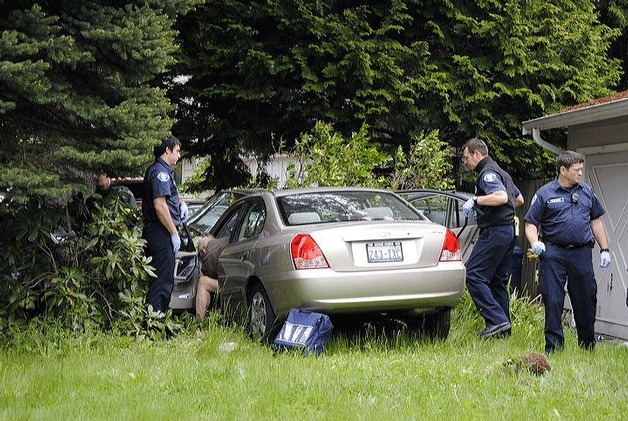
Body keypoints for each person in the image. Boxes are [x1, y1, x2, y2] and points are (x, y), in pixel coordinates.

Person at [524, 150, 611, 354]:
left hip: (581, 253)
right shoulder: (545, 193)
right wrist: (535, 242)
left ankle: (587, 345)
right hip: (553, 253)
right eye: (577, 170)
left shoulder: (587, 192)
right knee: (553, 299)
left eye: (582, 169)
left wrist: (605, 249)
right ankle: (553, 347)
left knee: (586, 298)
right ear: (563, 170)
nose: (581, 173)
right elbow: (530, 223)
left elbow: (595, 221)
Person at [461, 138, 524, 338]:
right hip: (507, 232)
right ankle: (504, 330)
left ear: (476, 154)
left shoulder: (487, 173)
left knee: (473, 274)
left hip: (495, 232)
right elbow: (519, 199)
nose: (465, 163)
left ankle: (496, 320)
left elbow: (501, 197)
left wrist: (477, 200)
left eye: (466, 158)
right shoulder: (502, 172)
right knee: (497, 281)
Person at [142, 135, 183, 314]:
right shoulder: (160, 172)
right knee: (162, 282)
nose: (179, 156)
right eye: (177, 151)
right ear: (167, 150)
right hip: (160, 232)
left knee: (165, 279)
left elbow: (169, 197)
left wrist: (181, 204)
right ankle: (154, 324)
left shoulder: (164, 171)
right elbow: (160, 205)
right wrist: (174, 232)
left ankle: (157, 321)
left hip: (161, 231)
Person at [195, 234, 228, 320]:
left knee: (203, 282)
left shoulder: (209, 254)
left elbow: (209, 273)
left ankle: (199, 322)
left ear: (203, 250)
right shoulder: (223, 240)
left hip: (232, 283)